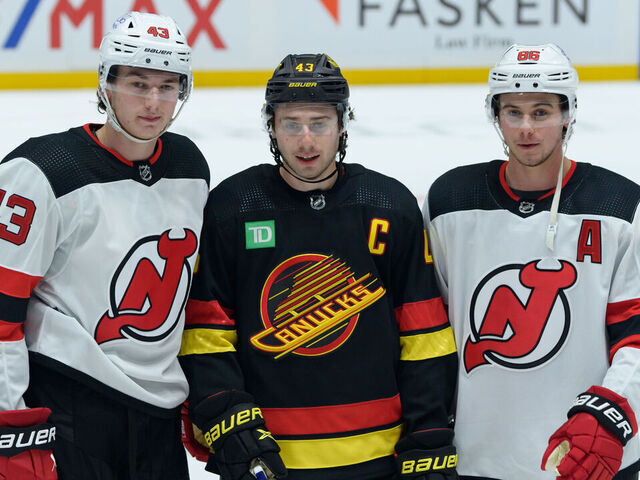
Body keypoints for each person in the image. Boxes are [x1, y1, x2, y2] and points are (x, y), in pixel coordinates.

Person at [179, 53, 459, 480]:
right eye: (291, 124)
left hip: (378, 455)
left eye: (319, 123)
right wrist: (231, 422)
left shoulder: (390, 206)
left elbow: (424, 334)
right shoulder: (233, 208)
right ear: (271, 126)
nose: (306, 141)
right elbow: (207, 334)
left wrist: (428, 433)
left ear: (343, 124)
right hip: (268, 458)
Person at [0, 11, 209, 480]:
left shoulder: (189, 165)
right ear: (105, 83)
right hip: (70, 405)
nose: (154, 102)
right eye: (137, 83)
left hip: (158, 413)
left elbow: (186, 300)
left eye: (167, 86)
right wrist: (8, 422)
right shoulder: (40, 172)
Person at [423, 43, 640, 480]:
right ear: (495, 114)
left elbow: (634, 330)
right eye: (512, 112)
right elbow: (426, 328)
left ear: (568, 113)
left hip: (588, 455)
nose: (526, 128)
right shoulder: (448, 201)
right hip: (475, 457)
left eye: (541, 112)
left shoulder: (620, 205)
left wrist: (610, 413)